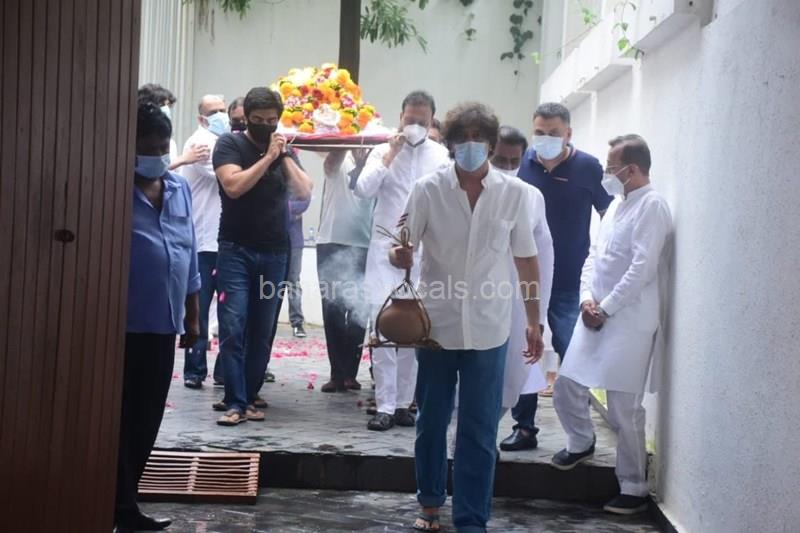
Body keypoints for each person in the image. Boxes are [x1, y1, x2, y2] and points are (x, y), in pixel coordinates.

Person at [390, 102, 544, 533]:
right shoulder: (427, 189)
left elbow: (526, 259)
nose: (471, 146)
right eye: (463, 139)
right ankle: (430, 502)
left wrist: (534, 320)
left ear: (491, 145)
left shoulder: (515, 194)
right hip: (436, 327)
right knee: (432, 421)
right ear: (452, 143)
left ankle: (472, 519)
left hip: (489, 327)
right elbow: (400, 244)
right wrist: (400, 254)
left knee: (479, 428)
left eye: (480, 139)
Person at [551, 134, 672, 516]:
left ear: (631, 170)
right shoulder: (617, 205)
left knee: (624, 408)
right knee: (567, 385)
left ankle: (633, 487)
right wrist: (587, 298)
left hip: (629, 321)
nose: (606, 174)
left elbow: (642, 268)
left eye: (610, 168)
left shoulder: (652, 206)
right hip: (594, 313)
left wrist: (606, 308)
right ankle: (580, 441)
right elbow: (594, 255)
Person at [501, 102, 613, 452]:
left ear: (568, 133)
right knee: (525, 351)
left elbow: (609, 215)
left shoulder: (588, 167)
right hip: (526, 279)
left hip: (568, 282)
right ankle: (524, 427)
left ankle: (581, 435)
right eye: (539, 132)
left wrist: (603, 268)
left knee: (573, 352)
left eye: (553, 133)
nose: (545, 139)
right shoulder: (522, 164)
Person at [115, 101, 200, 532]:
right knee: (120, 419)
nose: (156, 155)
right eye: (147, 148)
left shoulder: (179, 188)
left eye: (162, 147)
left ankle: (125, 505)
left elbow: (189, 254)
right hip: (122, 326)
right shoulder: (112, 188)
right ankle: (118, 507)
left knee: (148, 417)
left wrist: (193, 317)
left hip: (164, 325)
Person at [212, 87, 313, 426]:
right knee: (233, 324)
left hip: (275, 252)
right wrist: (267, 158)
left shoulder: (284, 150)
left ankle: (248, 396)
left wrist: (282, 156)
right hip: (235, 249)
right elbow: (233, 186)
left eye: (272, 120)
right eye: (258, 120)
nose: (266, 126)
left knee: (262, 330)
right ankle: (235, 401)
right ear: (247, 119)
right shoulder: (230, 144)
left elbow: (304, 190)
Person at [354, 90, 450, 431]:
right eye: (410, 120)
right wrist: (390, 154)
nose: (415, 126)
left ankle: (404, 404)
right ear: (400, 117)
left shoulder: (441, 156)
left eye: (422, 121)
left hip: (422, 254)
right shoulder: (382, 150)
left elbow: (446, 203)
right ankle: (384, 405)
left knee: (413, 329)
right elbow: (363, 190)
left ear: (431, 121)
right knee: (382, 328)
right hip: (384, 252)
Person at [489, 126, 554, 428]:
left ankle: (484, 436)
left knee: (512, 378)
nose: (507, 167)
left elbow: (543, 259)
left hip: (517, 303)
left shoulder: (531, 196)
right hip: (475, 300)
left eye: (513, 161)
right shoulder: (470, 191)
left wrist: (537, 317)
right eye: (500, 160)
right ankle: (468, 441)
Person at [180, 94, 229, 390]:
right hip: (203, 240)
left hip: (223, 241)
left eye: (223, 110)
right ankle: (195, 370)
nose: (221, 115)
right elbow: (227, 175)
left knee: (228, 310)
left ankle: (222, 371)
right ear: (202, 118)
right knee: (198, 308)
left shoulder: (223, 142)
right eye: (214, 112)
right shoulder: (201, 143)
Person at [317, 148, 374, 392]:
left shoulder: (378, 163)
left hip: (365, 243)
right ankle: (337, 374)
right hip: (331, 240)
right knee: (333, 310)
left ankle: (350, 372)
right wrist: (342, 142)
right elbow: (330, 163)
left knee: (359, 312)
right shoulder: (339, 159)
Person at [137, 83, 210, 170]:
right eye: (161, 105)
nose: (166, 109)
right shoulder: (136, 137)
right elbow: (150, 168)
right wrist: (183, 159)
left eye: (168, 105)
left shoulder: (171, 142)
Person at [287, 194, 311, 337]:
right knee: (268, 283)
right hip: (272, 241)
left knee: (293, 283)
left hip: (294, 243)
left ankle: (297, 323)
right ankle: (265, 321)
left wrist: (282, 207)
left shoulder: (298, 184)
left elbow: (305, 202)